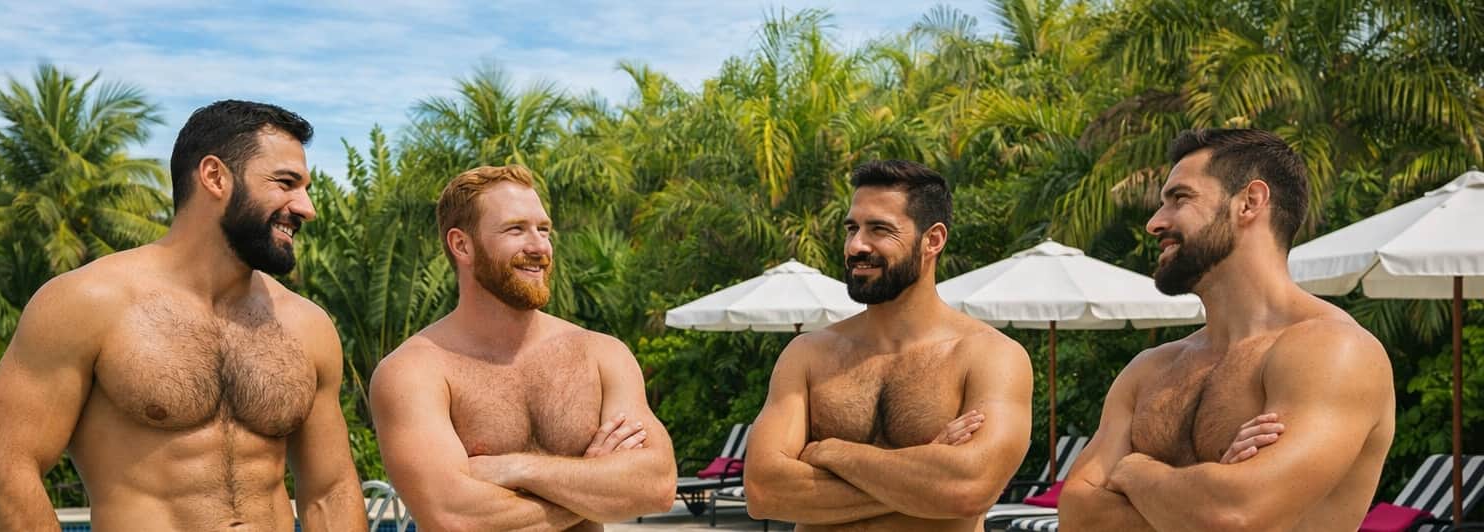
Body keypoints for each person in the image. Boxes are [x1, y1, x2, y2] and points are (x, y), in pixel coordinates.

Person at [0, 100, 366, 531]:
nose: (306, 207)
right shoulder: (88, 302)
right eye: (286, 183)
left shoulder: (306, 324)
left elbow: (331, 490)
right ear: (215, 177)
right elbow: (4, 472)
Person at [1058, 128, 1395, 531]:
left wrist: (1132, 470)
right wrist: (1206, 494)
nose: (1154, 222)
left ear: (1250, 202)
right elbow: (1077, 514)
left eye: (1179, 198)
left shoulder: (1334, 351)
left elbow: (1235, 514)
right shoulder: (1149, 370)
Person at [369, 164, 676, 530]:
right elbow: (453, 517)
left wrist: (515, 468)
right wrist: (596, 487)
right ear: (462, 245)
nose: (539, 247)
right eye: (516, 229)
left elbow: (656, 486)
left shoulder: (602, 355)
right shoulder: (413, 372)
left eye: (543, 230)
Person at [742, 160, 1033, 530]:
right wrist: (924, 474)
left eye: (879, 229)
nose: (856, 245)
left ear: (933, 240)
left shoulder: (989, 356)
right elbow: (764, 490)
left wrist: (829, 451)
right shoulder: (809, 354)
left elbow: (967, 489)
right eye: (852, 228)